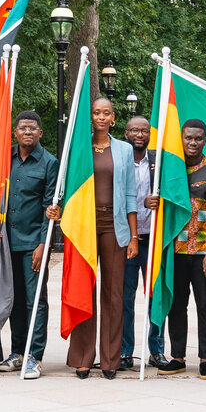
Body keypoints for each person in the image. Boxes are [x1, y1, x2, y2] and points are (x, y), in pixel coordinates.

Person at [59, 96, 139, 379]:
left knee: (113, 294)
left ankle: (110, 360)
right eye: (96, 112)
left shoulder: (125, 150)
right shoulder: (78, 147)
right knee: (83, 290)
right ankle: (82, 357)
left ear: (113, 117)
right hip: (84, 227)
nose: (101, 117)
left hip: (114, 227)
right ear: (90, 117)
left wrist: (133, 236)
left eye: (106, 113)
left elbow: (131, 194)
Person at [153, 120, 206, 377]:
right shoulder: (170, 168)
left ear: (205, 140)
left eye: (198, 138)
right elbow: (158, 202)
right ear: (181, 138)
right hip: (174, 250)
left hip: (203, 252)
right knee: (176, 304)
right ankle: (177, 357)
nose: (192, 143)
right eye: (188, 138)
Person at [0, 110, 57, 379]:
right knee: (14, 299)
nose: (27, 132)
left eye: (32, 128)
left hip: (33, 243)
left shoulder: (49, 163)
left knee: (35, 301)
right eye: (22, 128)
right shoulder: (6, 159)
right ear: (15, 132)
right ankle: (17, 352)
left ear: (40, 133)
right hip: (7, 243)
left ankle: (34, 355)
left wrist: (43, 244)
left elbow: (48, 206)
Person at [120, 114, 165, 371]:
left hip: (153, 240)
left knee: (154, 297)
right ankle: (126, 351)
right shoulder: (121, 162)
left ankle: (156, 350)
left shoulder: (158, 163)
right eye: (134, 130)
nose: (140, 135)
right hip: (126, 240)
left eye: (144, 131)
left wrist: (158, 201)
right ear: (126, 134)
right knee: (126, 298)